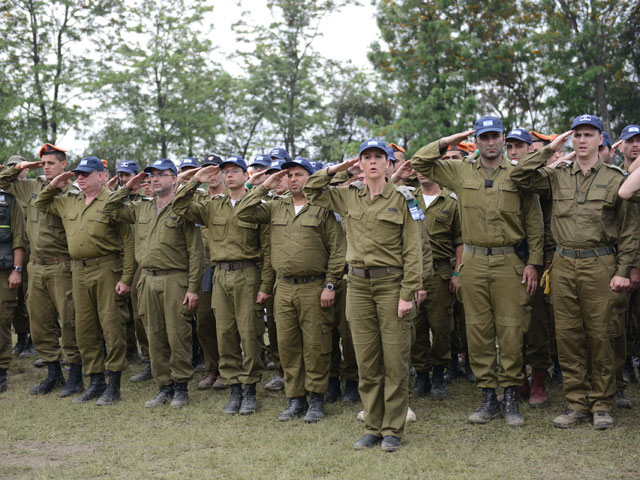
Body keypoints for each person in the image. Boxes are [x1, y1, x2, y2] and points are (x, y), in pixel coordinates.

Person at [410, 116, 543, 427]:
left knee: (511, 330)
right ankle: (487, 395)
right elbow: (421, 161)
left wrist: (534, 263)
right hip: (472, 261)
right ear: (478, 140)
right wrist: (451, 140)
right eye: (484, 137)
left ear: (503, 138)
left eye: (496, 136)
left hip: (510, 261)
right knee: (478, 331)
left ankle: (510, 395)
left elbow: (535, 224)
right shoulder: (460, 170)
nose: (491, 142)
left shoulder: (518, 173)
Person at [512, 114, 638, 430]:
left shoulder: (615, 177)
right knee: (568, 336)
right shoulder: (558, 175)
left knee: (601, 335)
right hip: (564, 263)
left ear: (601, 140)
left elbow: (630, 228)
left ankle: (602, 404)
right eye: (577, 135)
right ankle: (576, 403)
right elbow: (519, 177)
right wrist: (550, 149)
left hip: (601, 263)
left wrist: (624, 268)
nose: (582, 140)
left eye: (589, 135)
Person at [303, 139, 424, 452]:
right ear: (359, 163)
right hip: (357, 286)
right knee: (366, 362)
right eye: (366, 157)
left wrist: (407, 292)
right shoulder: (347, 196)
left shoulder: (403, 198)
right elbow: (312, 190)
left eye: (378, 157)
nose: (372, 162)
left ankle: (393, 429)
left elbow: (413, 249)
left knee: (395, 361)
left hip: (391, 285)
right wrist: (339, 168)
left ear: (388, 163)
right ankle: (373, 426)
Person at [237, 158, 347, 422]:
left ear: (311, 177)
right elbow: (242, 212)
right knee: (287, 346)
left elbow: (337, 249)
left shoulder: (323, 207)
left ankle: (316, 400)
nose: (294, 179)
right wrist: (265, 186)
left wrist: (330, 284)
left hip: (314, 286)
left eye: (299, 174)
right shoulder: (276, 206)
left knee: (315, 345)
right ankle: (295, 399)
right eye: (290, 175)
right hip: (283, 287)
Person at [172, 157, 272, 415]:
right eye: (225, 172)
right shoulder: (212, 206)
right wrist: (195, 181)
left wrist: (265, 284)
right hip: (220, 275)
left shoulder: (257, 206)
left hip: (248, 273)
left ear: (245, 174)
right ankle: (234, 387)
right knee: (224, 333)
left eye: (235, 171)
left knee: (249, 333)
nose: (229, 176)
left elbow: (268, 249)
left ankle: (249, 388)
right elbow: (179, 205)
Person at [35, 156, 135, 406]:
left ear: (101, 176)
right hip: (78, 271)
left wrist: (126, 277)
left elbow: (129, 242)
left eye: (87, 174)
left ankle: (114, 384)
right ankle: (95, 380)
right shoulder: (69, 201)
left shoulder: (111, 201)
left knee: (112, 327)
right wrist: (55, 184)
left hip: (106, 268)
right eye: (78, 173)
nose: (80, 177)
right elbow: (41, 204)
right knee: (85, 328)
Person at [103, 158, 203, 408]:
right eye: (152, 175)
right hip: (146, 279)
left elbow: (196, 253)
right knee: (154, 335)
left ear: (174, 178)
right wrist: (128, 187)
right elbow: (109, 209)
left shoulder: (183, 208)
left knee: (177, 335)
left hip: (175, 279)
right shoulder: (141, 208)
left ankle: (180, 387)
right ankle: (164, 386)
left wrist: (193, 288)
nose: (155, 179)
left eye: (161, 174)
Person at [0, 145, 83, 397]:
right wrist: (22, 167)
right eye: (43, 163)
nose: (46, 166)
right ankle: (53, 373)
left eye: (51, 163)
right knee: (39, 322)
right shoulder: (32, 187)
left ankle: (76, 375)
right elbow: (2, 181)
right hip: (34, 266)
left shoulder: (71, 191)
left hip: (62, 265)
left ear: (63, 166)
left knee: (68, 321)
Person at [392, 162, 462, 399]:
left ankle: (439, 373)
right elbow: (379, 193)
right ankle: (421, 373)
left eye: (427, 167)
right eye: (418, 168)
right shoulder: (407, 198)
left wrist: (456, 273)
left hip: (440, 273)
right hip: (412, 273)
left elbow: (460, 241)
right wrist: (397, 175)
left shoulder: (451, 202)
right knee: (415, 325)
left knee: (441, 326)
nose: (422, 172)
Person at [194, 154, 225, 391]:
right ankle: (212, 369)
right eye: (207, 170)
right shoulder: (199, 201)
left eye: (216, 170)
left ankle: (229, 369)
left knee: (228, 323)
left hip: (228, 267)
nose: (211, 175)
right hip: (204, 269)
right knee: (204, 321)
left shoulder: (236, 198)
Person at [3, 156, 32, 360]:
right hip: (15, 249)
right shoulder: (7, 191)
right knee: (17, 298)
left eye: (20, 166)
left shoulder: (33, 186)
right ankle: (21, 337)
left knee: (32, 297)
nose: (17, 169)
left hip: (34, 249)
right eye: (12, 166)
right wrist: (13, 169)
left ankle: (34, 340)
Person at [0, 188, 26, 393]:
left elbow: (19, 238)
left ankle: (1, 370)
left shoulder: (9, 201)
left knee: (2, 320)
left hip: (5, 271)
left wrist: (17, 270)